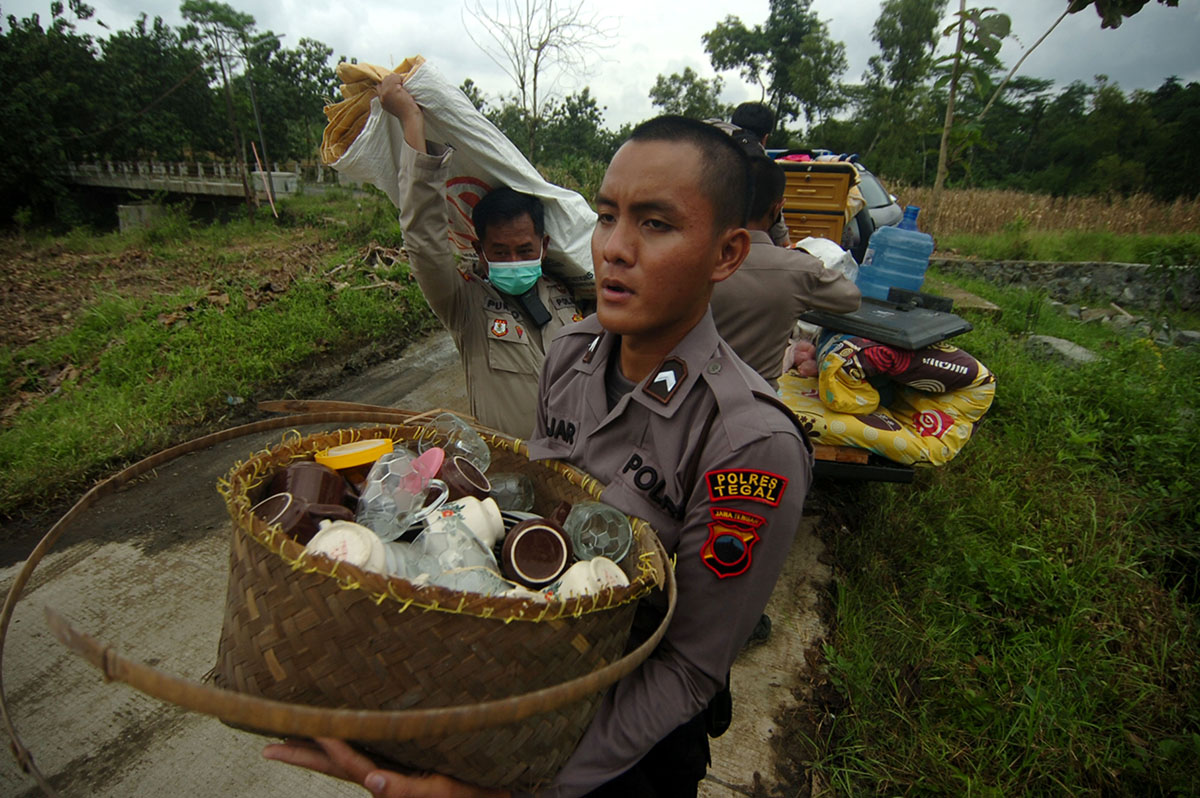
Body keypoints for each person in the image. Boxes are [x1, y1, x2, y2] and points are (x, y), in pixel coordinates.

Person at [262, 116, 813, 798]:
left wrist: (523, 786)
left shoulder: (749, 443)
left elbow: (689, 668)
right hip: (514, 696)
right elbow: (531, 526)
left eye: (656, 224)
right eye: (608, 216)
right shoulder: (571, 357)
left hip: (620, 753)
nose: (615, 248)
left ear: (726, 254)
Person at [377, 73, 583, 438]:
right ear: (480, 252)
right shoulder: (465, 304)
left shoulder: (569, 292)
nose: (514, 260)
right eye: (500, 252)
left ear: (544, 247)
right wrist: (411, 119)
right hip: (515, 477)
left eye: (524, 250)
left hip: (584, 471)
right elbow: (424, 241)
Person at [711, 156, 861, 388]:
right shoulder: (799, 269)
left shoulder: (692, 257)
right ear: (777, 208)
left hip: (685, 397)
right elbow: (850, 299)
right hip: (756, 398)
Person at [707, 102, 790, 248]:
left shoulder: (704, 134)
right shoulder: (757, 160)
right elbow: (771, 208)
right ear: (765, 138)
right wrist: (784, 243)